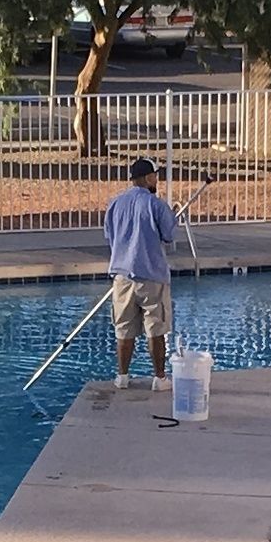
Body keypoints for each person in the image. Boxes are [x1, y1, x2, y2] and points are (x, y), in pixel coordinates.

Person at [103, 157, 180, 383]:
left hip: (122, 276)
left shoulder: (115, 204)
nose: (157, 179)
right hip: (151, 276)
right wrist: (173, 216)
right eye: (155, 175)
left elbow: (110, 235)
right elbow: (168, 235)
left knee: (124, 329)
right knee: (156, 328)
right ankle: (159, 378)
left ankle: (122, 376)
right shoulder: (156, 205)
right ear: (148, 178)